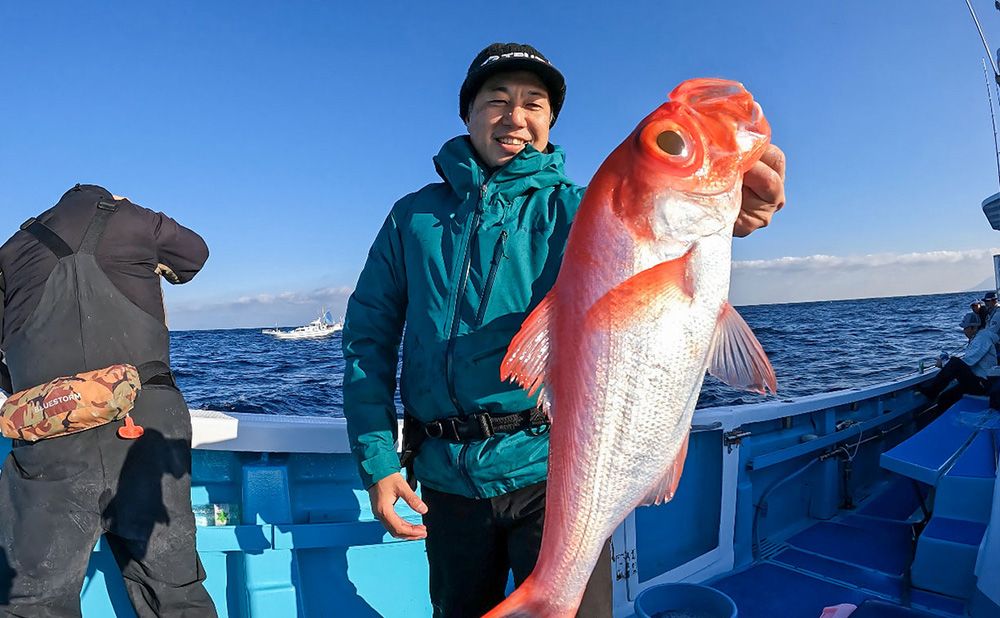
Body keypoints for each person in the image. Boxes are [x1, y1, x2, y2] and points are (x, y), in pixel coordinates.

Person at [341, 42, 787, 618]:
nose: (516, 116)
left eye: (535, 103)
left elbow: (652, 232)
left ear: (551, 121)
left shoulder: (581, 207)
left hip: (553, 471)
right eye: (497, 99)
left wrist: (739, 209)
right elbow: (367, 340)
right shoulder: (413, 218)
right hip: (445, 479)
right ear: (467, 114)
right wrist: (379, 462)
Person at [0, 184, 217, 616]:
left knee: (31, 603)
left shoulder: (11, 252)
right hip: (145, 427)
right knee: (173, 592)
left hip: (52, 433)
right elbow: (195, 255)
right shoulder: (133, 219)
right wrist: (133, 210)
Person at [918, 312, 998, 411]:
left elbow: (968, 361)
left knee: (954, 362)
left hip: (983, 384)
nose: (964, 331)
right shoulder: (977, 338)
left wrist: (943, 363)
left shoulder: (982, 338)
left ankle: (931, 391)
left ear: (973, 328)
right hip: (975, 381)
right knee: (944, 398)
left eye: (965, 328)